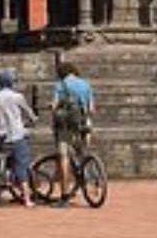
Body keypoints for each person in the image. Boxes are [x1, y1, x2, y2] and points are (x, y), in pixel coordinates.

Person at [0, 69, 36, 209]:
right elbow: (29, 114)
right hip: (16, 135)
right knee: (22, 165)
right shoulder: (17, 97)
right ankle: (27, 199)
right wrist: (33, 119)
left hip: (0, 136)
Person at [51, 61, 95, 208]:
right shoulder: (86, 84)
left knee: (64, 157)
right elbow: (91, 109)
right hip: (84, 122)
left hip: (65, 125)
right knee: (83, 152)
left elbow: (54, 105)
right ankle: (90, 178)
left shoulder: (60, 85)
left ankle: (64, 195)